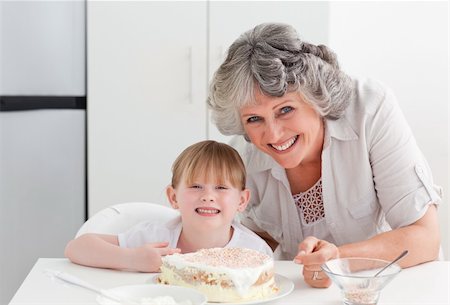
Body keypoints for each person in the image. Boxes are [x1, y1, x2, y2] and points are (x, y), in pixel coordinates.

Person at [207, 23, 442, 288]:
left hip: (389, 287)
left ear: (315, 96)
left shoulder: (370, 109)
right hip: (303, 292)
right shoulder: (243, 158)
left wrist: (338, 258)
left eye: (285, 110)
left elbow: (425, 238)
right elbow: (258, 242)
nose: (273, 135)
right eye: (254, 119)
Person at [65, 140, 273, 272]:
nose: (208, 196)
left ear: (242, 201)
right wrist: (133, 259)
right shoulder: (156, 239)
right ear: (173, 197)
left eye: (221, 187)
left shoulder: (254, 252)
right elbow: (76, 247)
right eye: (196, 186)